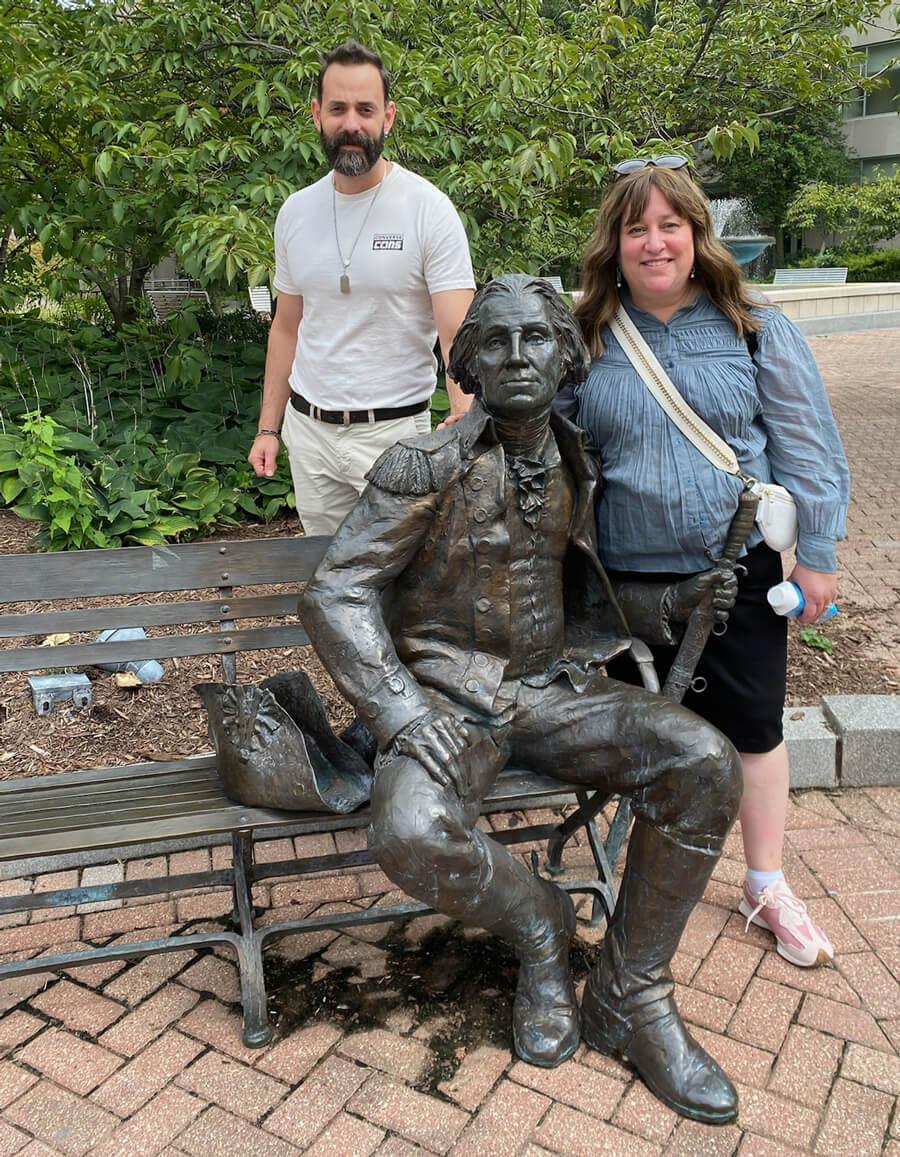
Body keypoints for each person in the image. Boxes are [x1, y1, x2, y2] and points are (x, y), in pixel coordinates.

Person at [300, 275, 745, 1125]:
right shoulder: (422, 466)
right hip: (449, 702)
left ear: (563, 355)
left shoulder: (575, 455)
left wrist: (670, 606)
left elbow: (574, 595)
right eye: (494, 343)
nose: (515, 358)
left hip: (552, 690)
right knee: (410, 830)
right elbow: (335, 592)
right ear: (466, 364)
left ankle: (630, 997)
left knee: (705, 763)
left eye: (535, 340)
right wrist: (400, 712)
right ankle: (541, 927)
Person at [571, 156, 851, 969]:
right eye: (636, 229)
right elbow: (539, 445)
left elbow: (807, 445)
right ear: (614, 243)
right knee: (648, 737)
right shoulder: (587, 337)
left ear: (697, 234)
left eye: (670, 225)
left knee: (756, 730)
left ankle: (766, 883)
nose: (654, 243)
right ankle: (647, 883)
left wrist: (819, 556)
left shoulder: (753, 327)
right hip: (627, 585)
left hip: (739, 576)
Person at [248, 40, 475, 534]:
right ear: (317, 115)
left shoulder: (428, 210)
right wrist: (269, 428)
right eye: (338, 108)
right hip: (309, 436)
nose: (351, 123)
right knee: (328, 583)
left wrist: (463, 415)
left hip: (397, 437)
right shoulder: (294, 213)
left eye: (365, 109)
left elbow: (457, 330)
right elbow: (286, 329)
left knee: (403, 588)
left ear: (387, 117)